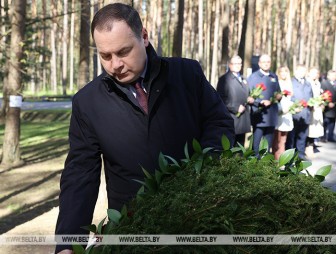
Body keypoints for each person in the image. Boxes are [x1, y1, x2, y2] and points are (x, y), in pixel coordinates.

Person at [55, 3, 234, 254]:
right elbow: (80, 174)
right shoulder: (87, 103)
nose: (115, 64)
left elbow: (219, 122)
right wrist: (66, 244)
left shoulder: (186, 74)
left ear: (145, 37)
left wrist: (204, 173)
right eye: (105, 56)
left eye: (123, 51)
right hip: (131, 230)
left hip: (198, 222)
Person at [247, 54, 282, 155]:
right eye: (264, 62)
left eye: (268, 62)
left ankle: (265, 165)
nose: (266, 64)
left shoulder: (274, 76)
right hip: (259, 116)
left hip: (271, 115)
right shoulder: (253, 77)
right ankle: (255, 164)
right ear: (259, 63)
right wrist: (259, 102)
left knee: (268, 144)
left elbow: (278, 92)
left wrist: (278, 97)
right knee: (256, 144)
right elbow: (249, 96)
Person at [216, 55, 253, 146]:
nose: (237, 65)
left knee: (240, 148)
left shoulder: (244, 79)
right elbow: (220, 99)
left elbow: (247, 94)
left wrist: (250, 99)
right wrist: (235, 108)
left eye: (239, 63)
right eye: (235, 63)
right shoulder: (224, 79)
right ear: (230, 65)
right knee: (229, 147)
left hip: (243, 119)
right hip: (231, 118)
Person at [286, 65, 313, 160]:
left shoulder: (308, 83)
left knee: (302, 137)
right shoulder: (290, 82)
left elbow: (311, 96)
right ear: (296, 71)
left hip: (306, 114)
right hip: (294, 114)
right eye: (300, 71)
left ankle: (300, 156)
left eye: (304, 71)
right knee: (291, 137)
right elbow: (289, 96)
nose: (302, 73)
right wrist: (296, 105)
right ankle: (290, 156)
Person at [272, 66, 294, 160]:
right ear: (279, 73)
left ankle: (282, 158)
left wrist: (293, 107)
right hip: (279, 112)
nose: (283, 74)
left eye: (285, 71)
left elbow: (291, 99)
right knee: (277, 137)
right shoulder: (277, 83)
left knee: (284, 138)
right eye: (281, 72)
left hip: (287, 112)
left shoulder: (289, 83)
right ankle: (276, 158)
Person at [306, 67, 323, 157]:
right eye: (313, 73)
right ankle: (308, 147)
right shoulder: (307, 82)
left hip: (317, 108)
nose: (315, 75)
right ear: (309, 73)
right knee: (309, 129)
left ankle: (311, 146)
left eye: (316, 73)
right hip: (310, 108)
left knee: (315, 129)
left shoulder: (318, 83)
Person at [321, 69, 336, 142]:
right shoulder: (324, 83)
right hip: (327, 106)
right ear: (328, 75)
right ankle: (323, 136)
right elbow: (322, 94)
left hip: (334, 107)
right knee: (325, 122)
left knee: (332, 122)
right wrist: (327, 102)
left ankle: (330, 136)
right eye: (332, 75)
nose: (334, 77)